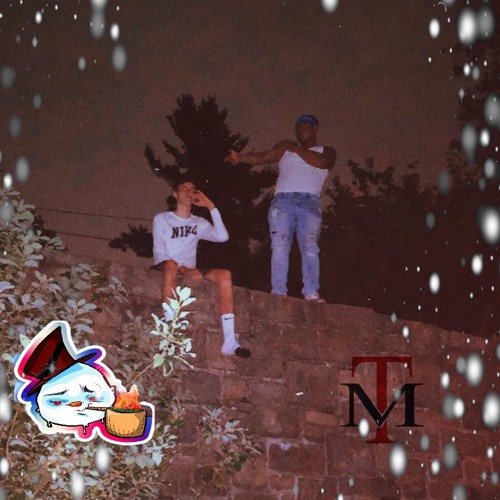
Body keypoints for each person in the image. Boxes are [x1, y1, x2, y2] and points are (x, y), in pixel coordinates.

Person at [225, 114, 336, 301]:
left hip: (309, 203)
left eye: (305, 126)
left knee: (310, 248)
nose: (300, 129)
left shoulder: (326, 151)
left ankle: (311, 293)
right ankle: (278, 293)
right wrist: (240, 158)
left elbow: (322, 162)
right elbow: (262, 157)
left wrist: (294, 148)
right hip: (283, 201)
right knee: (280, 247)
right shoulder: (285, 148)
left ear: (315, 129)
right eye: (298, 127)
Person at [153, 180, 250, 358]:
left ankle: (229, 341)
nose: (189, 192)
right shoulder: (162, 219)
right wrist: (183, 269)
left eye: (192, 190)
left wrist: (211, 207)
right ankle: (170, 333)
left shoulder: (198, 222)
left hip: (190, 267)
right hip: (168, 264)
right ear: (175, 194)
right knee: (171, 265)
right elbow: (160, 252)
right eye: (184, 189)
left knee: (225, 275)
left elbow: (222, 236)